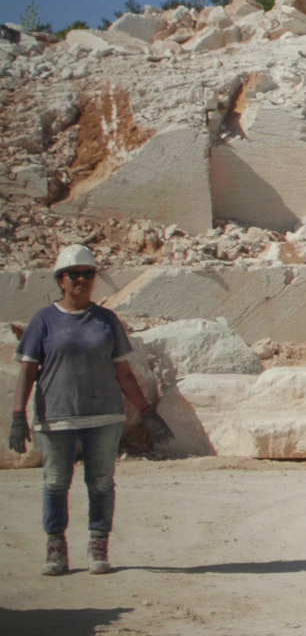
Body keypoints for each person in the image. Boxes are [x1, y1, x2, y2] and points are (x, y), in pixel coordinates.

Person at [8, 244, 172, 576]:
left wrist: (146, 412)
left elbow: (123, 374)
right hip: (56, 416)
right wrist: (17, 415)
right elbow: (27, 371)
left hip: (104, 416)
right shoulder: (43, 320)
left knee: (100, 483)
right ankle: (56, 548)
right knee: (55, 483)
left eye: (88, 273)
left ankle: (98, 545)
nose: (81, 279)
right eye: (74, 274)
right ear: (61, 280)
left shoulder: (107, 320)